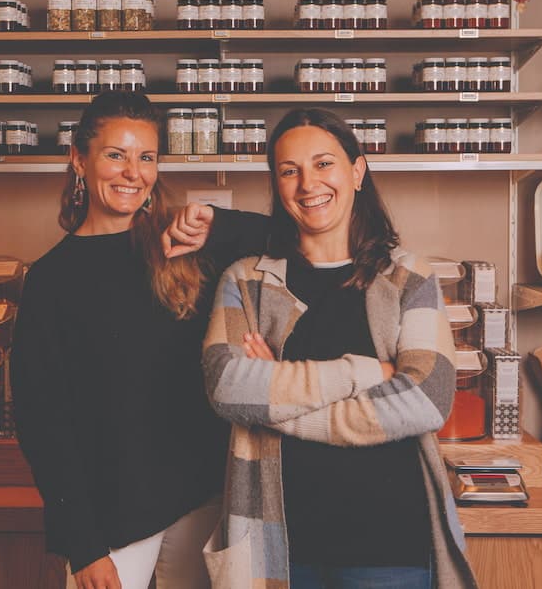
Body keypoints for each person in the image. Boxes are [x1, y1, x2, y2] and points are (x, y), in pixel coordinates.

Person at [201, 108, 478, 589]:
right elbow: (227, 386)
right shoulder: (247, 281)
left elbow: (427, 399)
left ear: (357, 170)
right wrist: (369, 373)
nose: (308, 183)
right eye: (290, 171)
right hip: (277, 549)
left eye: (324, 164)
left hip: (392, 547)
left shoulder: (410, 277)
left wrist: (277, 402)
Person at [10, 91, 268, 589]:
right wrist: (82, 544)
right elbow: (42, 422)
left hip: (202, 497)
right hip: (112, 519)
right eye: (116, 155)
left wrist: (220, 222)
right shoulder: (51, 279)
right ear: (78, 159)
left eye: (146, 157)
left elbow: (299, 237)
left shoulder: (183, 248)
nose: (133, 172)